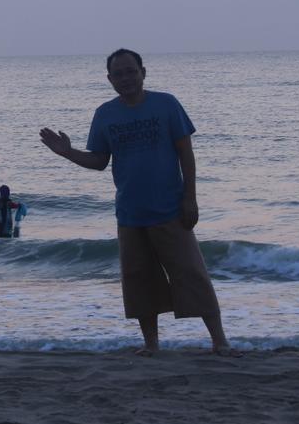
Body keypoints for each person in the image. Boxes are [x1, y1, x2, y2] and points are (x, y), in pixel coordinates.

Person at [39, 48, 235, 356]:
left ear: (143, 72)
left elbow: (186, 153)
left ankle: (220, 341)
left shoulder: (166, 104)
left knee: (192, 274)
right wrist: (67, 152)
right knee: (139, 280)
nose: (126, 78)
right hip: (130, 213)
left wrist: (190, 198)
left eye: (131, 71)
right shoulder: (105, 114)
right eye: (119, 74)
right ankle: (152, 345)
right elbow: (100, 160)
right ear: (110, 79)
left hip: (170, 208)